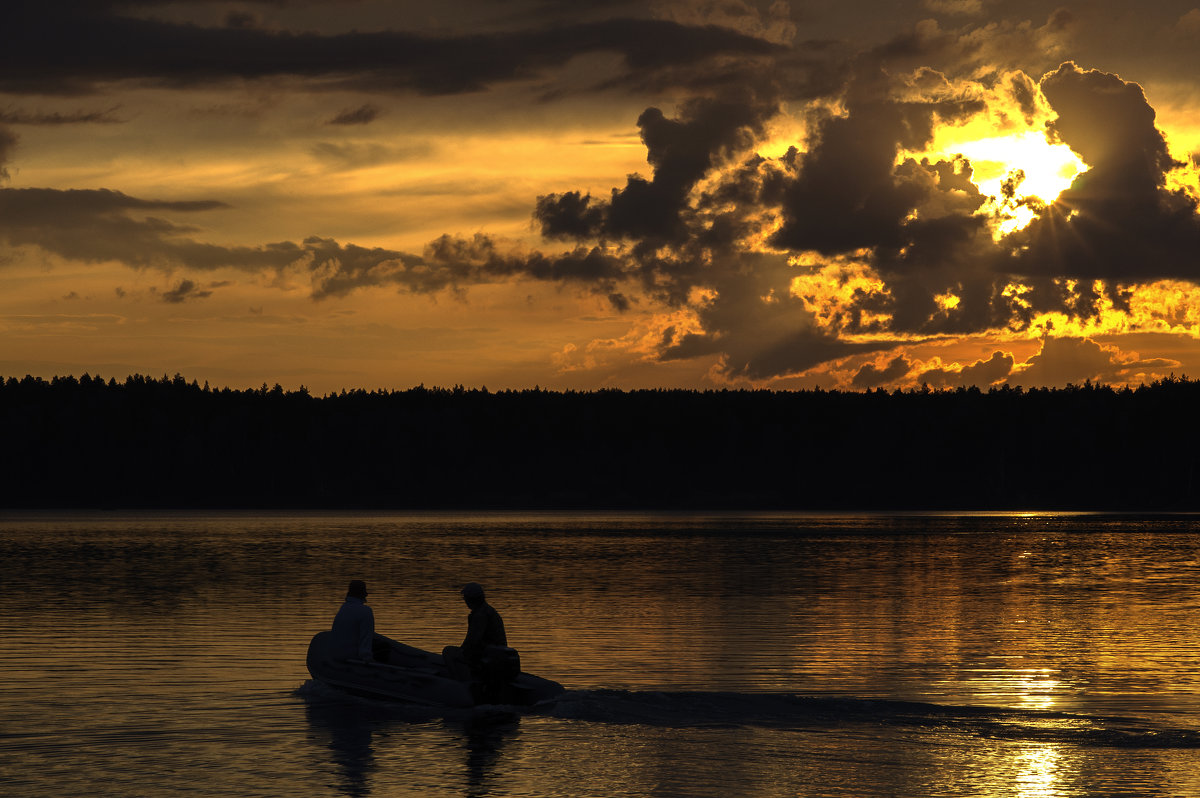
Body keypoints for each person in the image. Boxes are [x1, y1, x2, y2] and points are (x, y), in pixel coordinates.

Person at [443, 582, 507, 681]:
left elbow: (473, 640)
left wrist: (462, 652)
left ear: (471, 599)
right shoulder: (488, 610)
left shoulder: (480, 615)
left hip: (486, 654)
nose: (465, 600)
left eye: (465, 598)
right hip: (493, 653)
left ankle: (460, 681)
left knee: (448, 651)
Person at [330, 579, 375, 662]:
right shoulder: (366, 611)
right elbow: (366, 638)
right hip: (352, 658)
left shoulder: (343, 608)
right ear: (363, 594)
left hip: (337, 656)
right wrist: (367, 659)